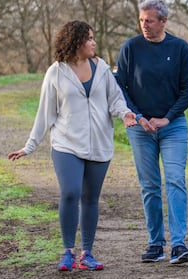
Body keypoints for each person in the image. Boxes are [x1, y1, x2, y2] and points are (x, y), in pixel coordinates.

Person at [8, 20, 136, 271]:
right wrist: (29, 146)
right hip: (66, 144)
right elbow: (45, 113)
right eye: (89, 38)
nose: (93, 42)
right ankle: (68, 252)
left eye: (93, 38)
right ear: (76, 41)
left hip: (99, 145)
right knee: (70, 193)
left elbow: (115, 100)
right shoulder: (56, 72)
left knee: (90, 199)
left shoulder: (102, 69)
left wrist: (125, 114)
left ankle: (87, 254)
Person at [115, 0, 188, 264]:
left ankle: (179, 244)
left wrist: (167, 118)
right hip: (140, 129)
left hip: (173, 126)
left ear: (163, 21)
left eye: (149, 20)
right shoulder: (130, 48)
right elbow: (120, 88)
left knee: (175, 180)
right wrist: (138, 117)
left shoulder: (180, 48)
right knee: (149, 185)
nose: (144, 25)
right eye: (141, 20)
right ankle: (156, 243)